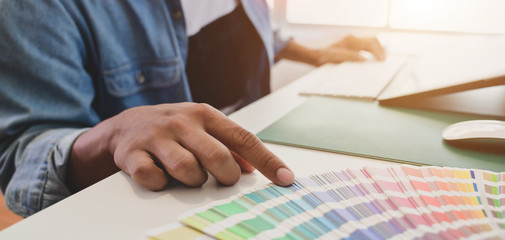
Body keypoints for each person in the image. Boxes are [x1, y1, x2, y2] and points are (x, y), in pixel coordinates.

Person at [0, 0, 385, 217]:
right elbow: (21, 154)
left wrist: (311, 52)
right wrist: (113, 135)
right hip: (158, 208)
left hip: (247, 176)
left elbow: (253, 27)